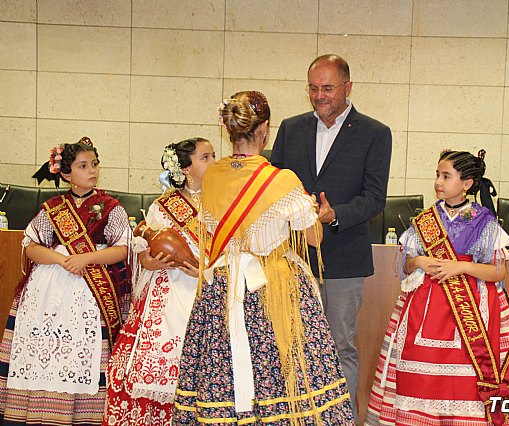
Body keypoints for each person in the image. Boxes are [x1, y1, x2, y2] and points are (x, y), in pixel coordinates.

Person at [173, 91, 354, 425]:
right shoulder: (282, 180)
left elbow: (210, 232)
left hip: (222, 289)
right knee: (285, 371)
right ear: (265, 129)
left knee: (221, 369)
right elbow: (313, 238)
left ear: (229, 129)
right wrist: (315, 212)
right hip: (274, 289)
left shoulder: (212, 176)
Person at [365, 150, 509, 426]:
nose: (438, 181)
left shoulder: (484, 221)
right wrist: (421, 260)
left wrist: (461, 267)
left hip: (473, 311)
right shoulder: (425, 220)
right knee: (419, 376)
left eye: (446, 176)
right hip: (424, 309)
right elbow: (408, 265)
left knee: (467, 380)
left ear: (467, 183)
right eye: (437, 174)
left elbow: (498, 271)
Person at [271, 54, 392, 417]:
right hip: (290, 259)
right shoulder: (291, 128)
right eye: (313, 88)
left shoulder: (375, 133)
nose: (319, 96)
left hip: (344, 259)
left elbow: (374, 198)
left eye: (327, 88)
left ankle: (342, 419)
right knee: (289, 345)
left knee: (340, 346)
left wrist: (334, 214)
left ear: (347, 87)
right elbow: (274, 186)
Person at [0, 137, 131, 425]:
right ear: (67, 173)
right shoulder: (53, 207)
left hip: (92, 286)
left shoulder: (110, 206)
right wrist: (62, 259)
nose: (92, 171)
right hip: (51, 290)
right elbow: (31, 246)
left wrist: (86, 259)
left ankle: (87, 414)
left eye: (94, 164)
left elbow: (123, 248)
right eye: (83, 166)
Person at [103, 138, 215, 425]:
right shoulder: (163, 206)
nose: (214, 161)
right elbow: (143, 250)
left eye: (213, 155)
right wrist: (149, 262)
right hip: (168, 291)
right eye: (206, 157)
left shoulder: (223, 201)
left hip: (210, 286)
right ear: (186, 169)